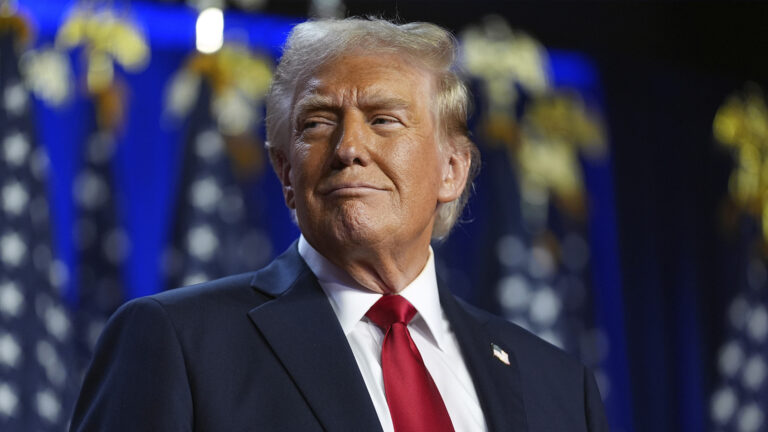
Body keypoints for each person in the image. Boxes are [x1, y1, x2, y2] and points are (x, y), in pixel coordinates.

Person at [71, 17, 608, 432]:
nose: (349, 148)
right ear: (285, 172)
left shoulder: (555, 384)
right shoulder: (177, 341)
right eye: (317, 123)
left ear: (452, 169)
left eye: (383, 120)